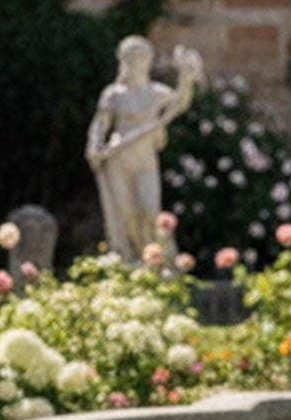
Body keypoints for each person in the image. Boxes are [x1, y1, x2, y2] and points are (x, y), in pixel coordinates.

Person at [86, 36, 203, 262]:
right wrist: (94, 147)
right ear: (123, 61)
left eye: (141, 57)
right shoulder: (114, 94)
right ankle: (129, 259)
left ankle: (156, 259)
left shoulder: (156, 92)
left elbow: (179, 102)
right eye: (131, 57)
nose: (136, 62)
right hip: (118, 156)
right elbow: (100, 125)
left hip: (145, 157)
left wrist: (186, 79)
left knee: (149, 209)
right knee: (126, 214)